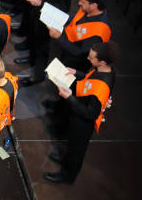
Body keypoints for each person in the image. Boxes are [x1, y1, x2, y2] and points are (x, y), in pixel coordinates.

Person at [45, 42, 118, 184]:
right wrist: (76, 73)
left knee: (76, 151)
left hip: (83, 123)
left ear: (102, 62)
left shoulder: (103, 86)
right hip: (78, 111)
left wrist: (69, 97)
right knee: (70, 144)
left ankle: (67, 176)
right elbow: (90, 78)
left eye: (91, 58)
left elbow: (91, 114)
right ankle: (65, 159)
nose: (88, 59)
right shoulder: (103, 69)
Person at [49, 0, 112, 71]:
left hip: (74, 65)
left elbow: (80, 53)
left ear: (94, 5)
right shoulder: (87, 10)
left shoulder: (98, 31)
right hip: (65, 48)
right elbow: (74, 18)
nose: (79, 3)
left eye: (82, 2)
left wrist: (59, 37)